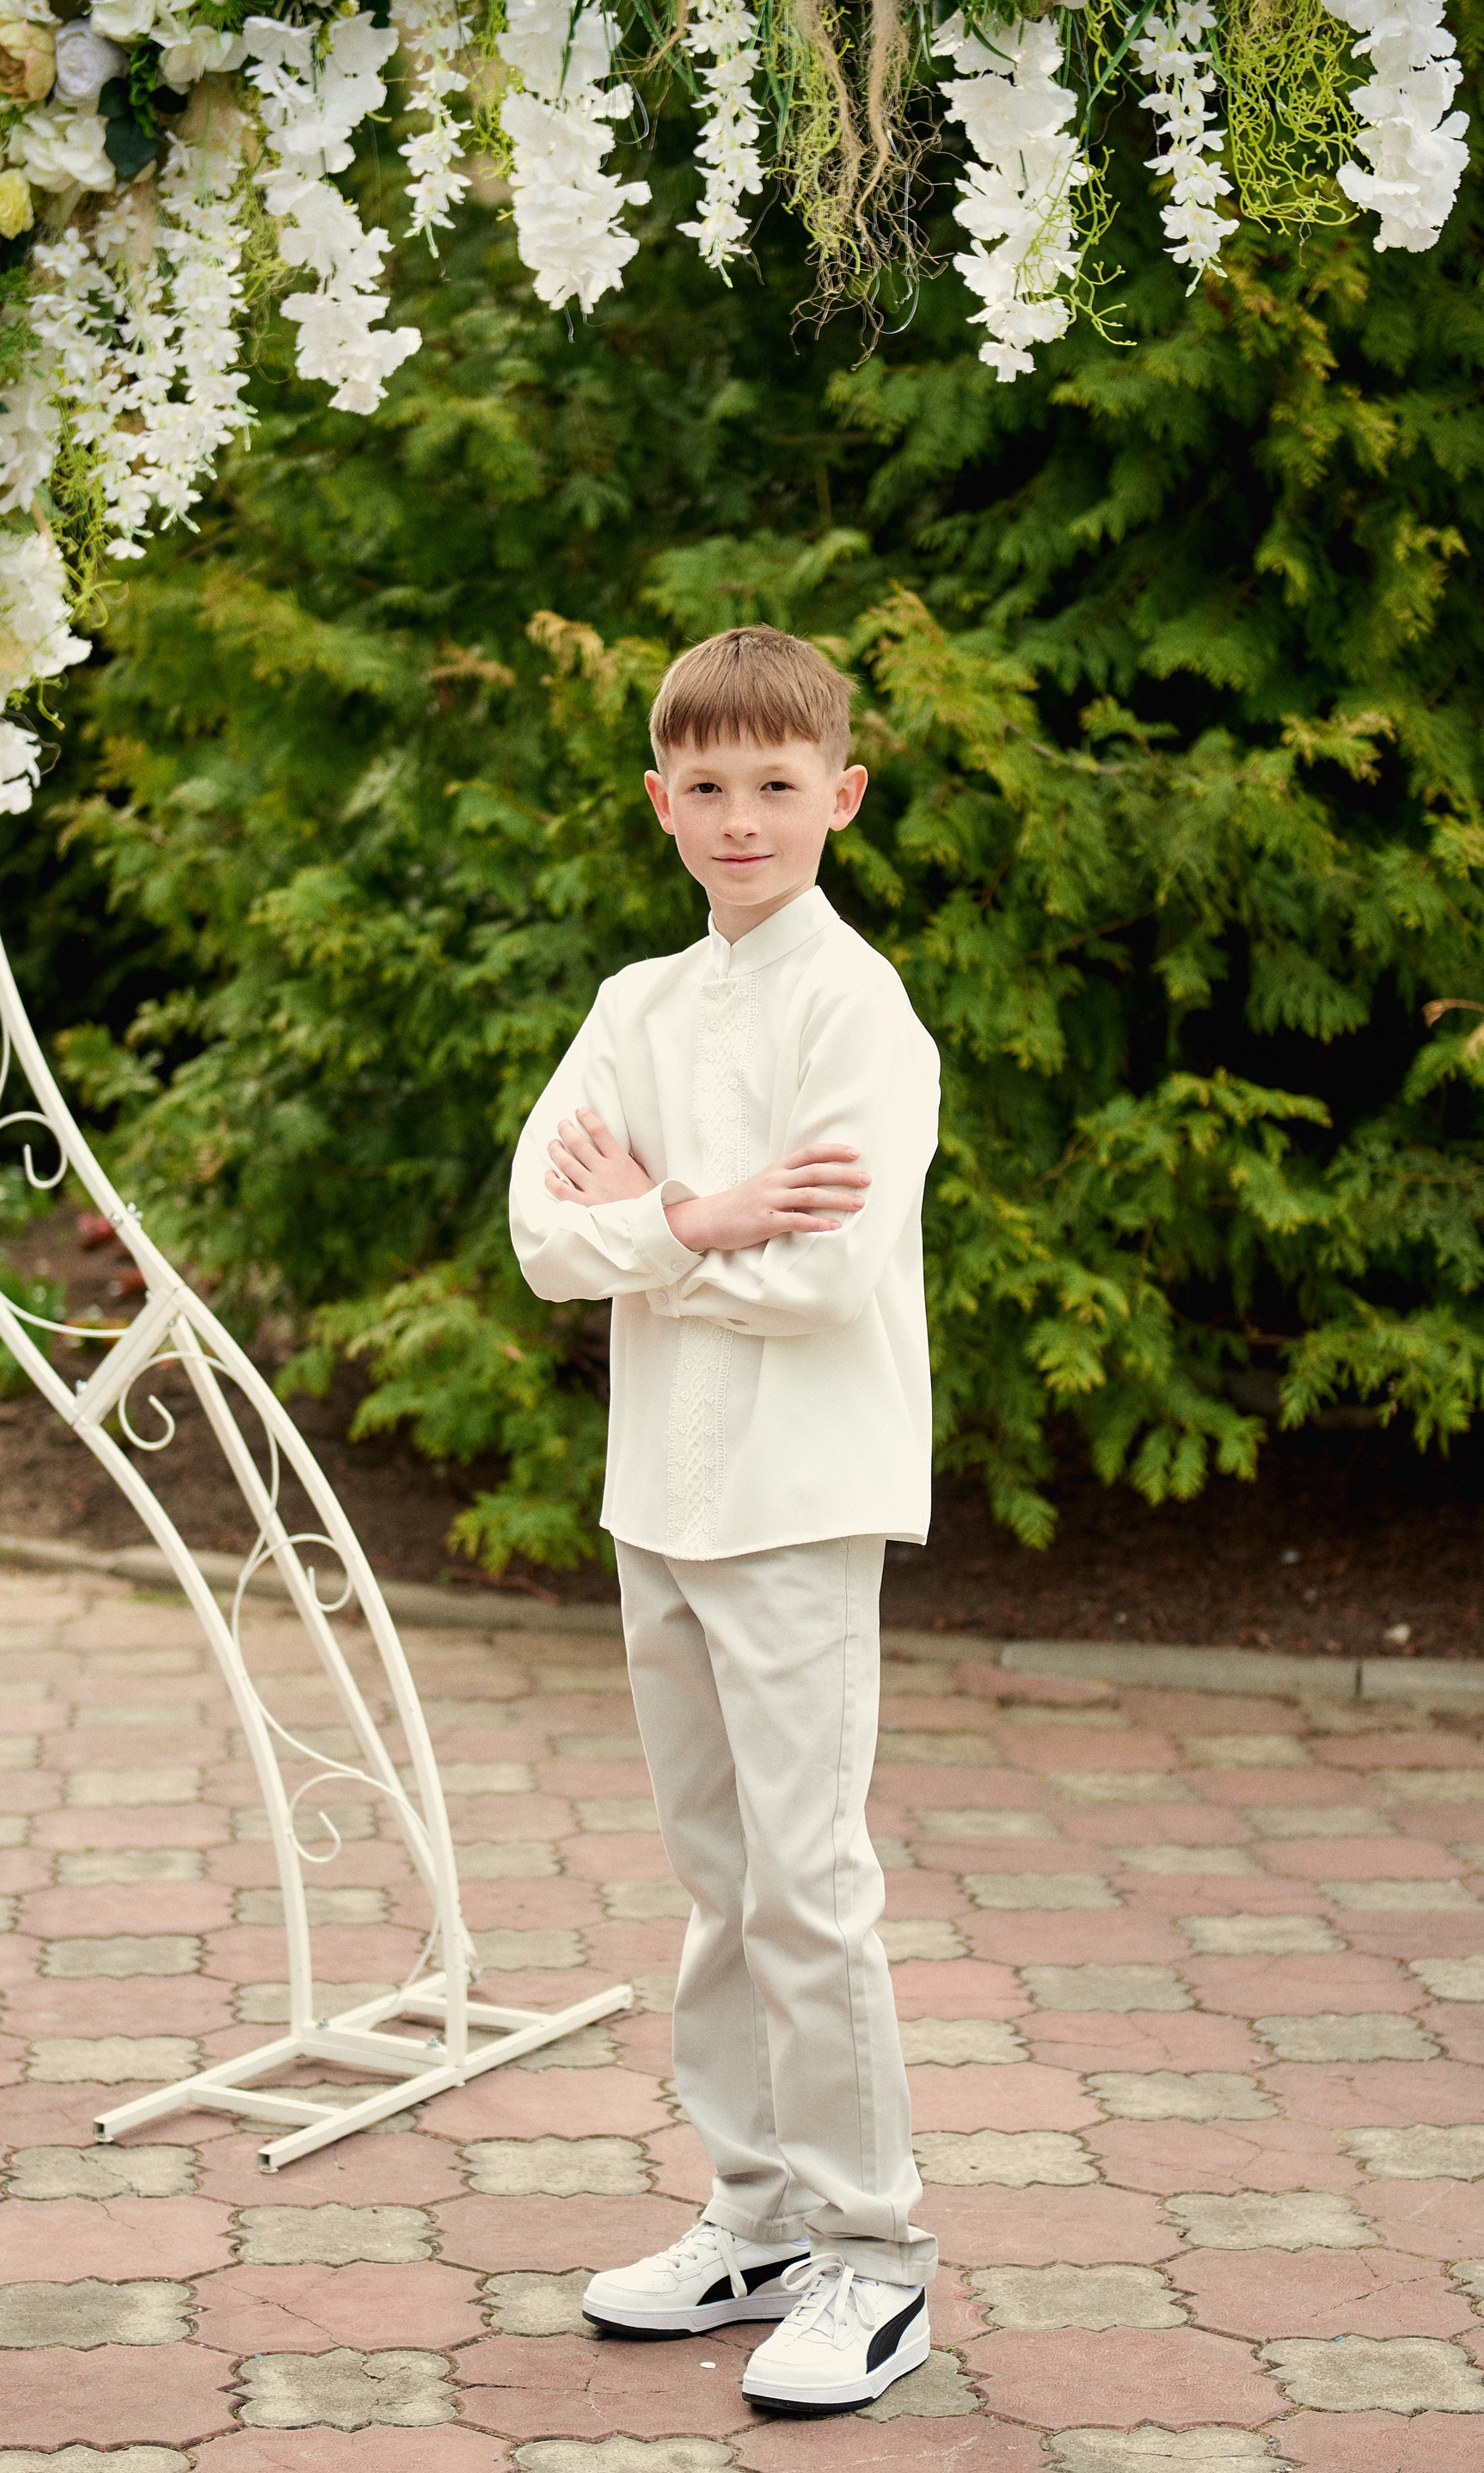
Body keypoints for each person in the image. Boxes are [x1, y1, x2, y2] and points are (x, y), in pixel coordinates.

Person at [508, 623, 941, 2415]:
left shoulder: (862, 1009)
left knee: (809, 1887)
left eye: (776, 782)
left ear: (842, 794)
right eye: (707, 785)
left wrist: (655, 1223)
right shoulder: (635, 1006)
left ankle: (874, 2254)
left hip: (798, 1500)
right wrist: (706, 1215)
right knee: (717, 1881)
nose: (741, 816)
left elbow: (826, 1278)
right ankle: (753, 2216)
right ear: (659, 801)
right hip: (661, 1502)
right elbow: (543, 1234)